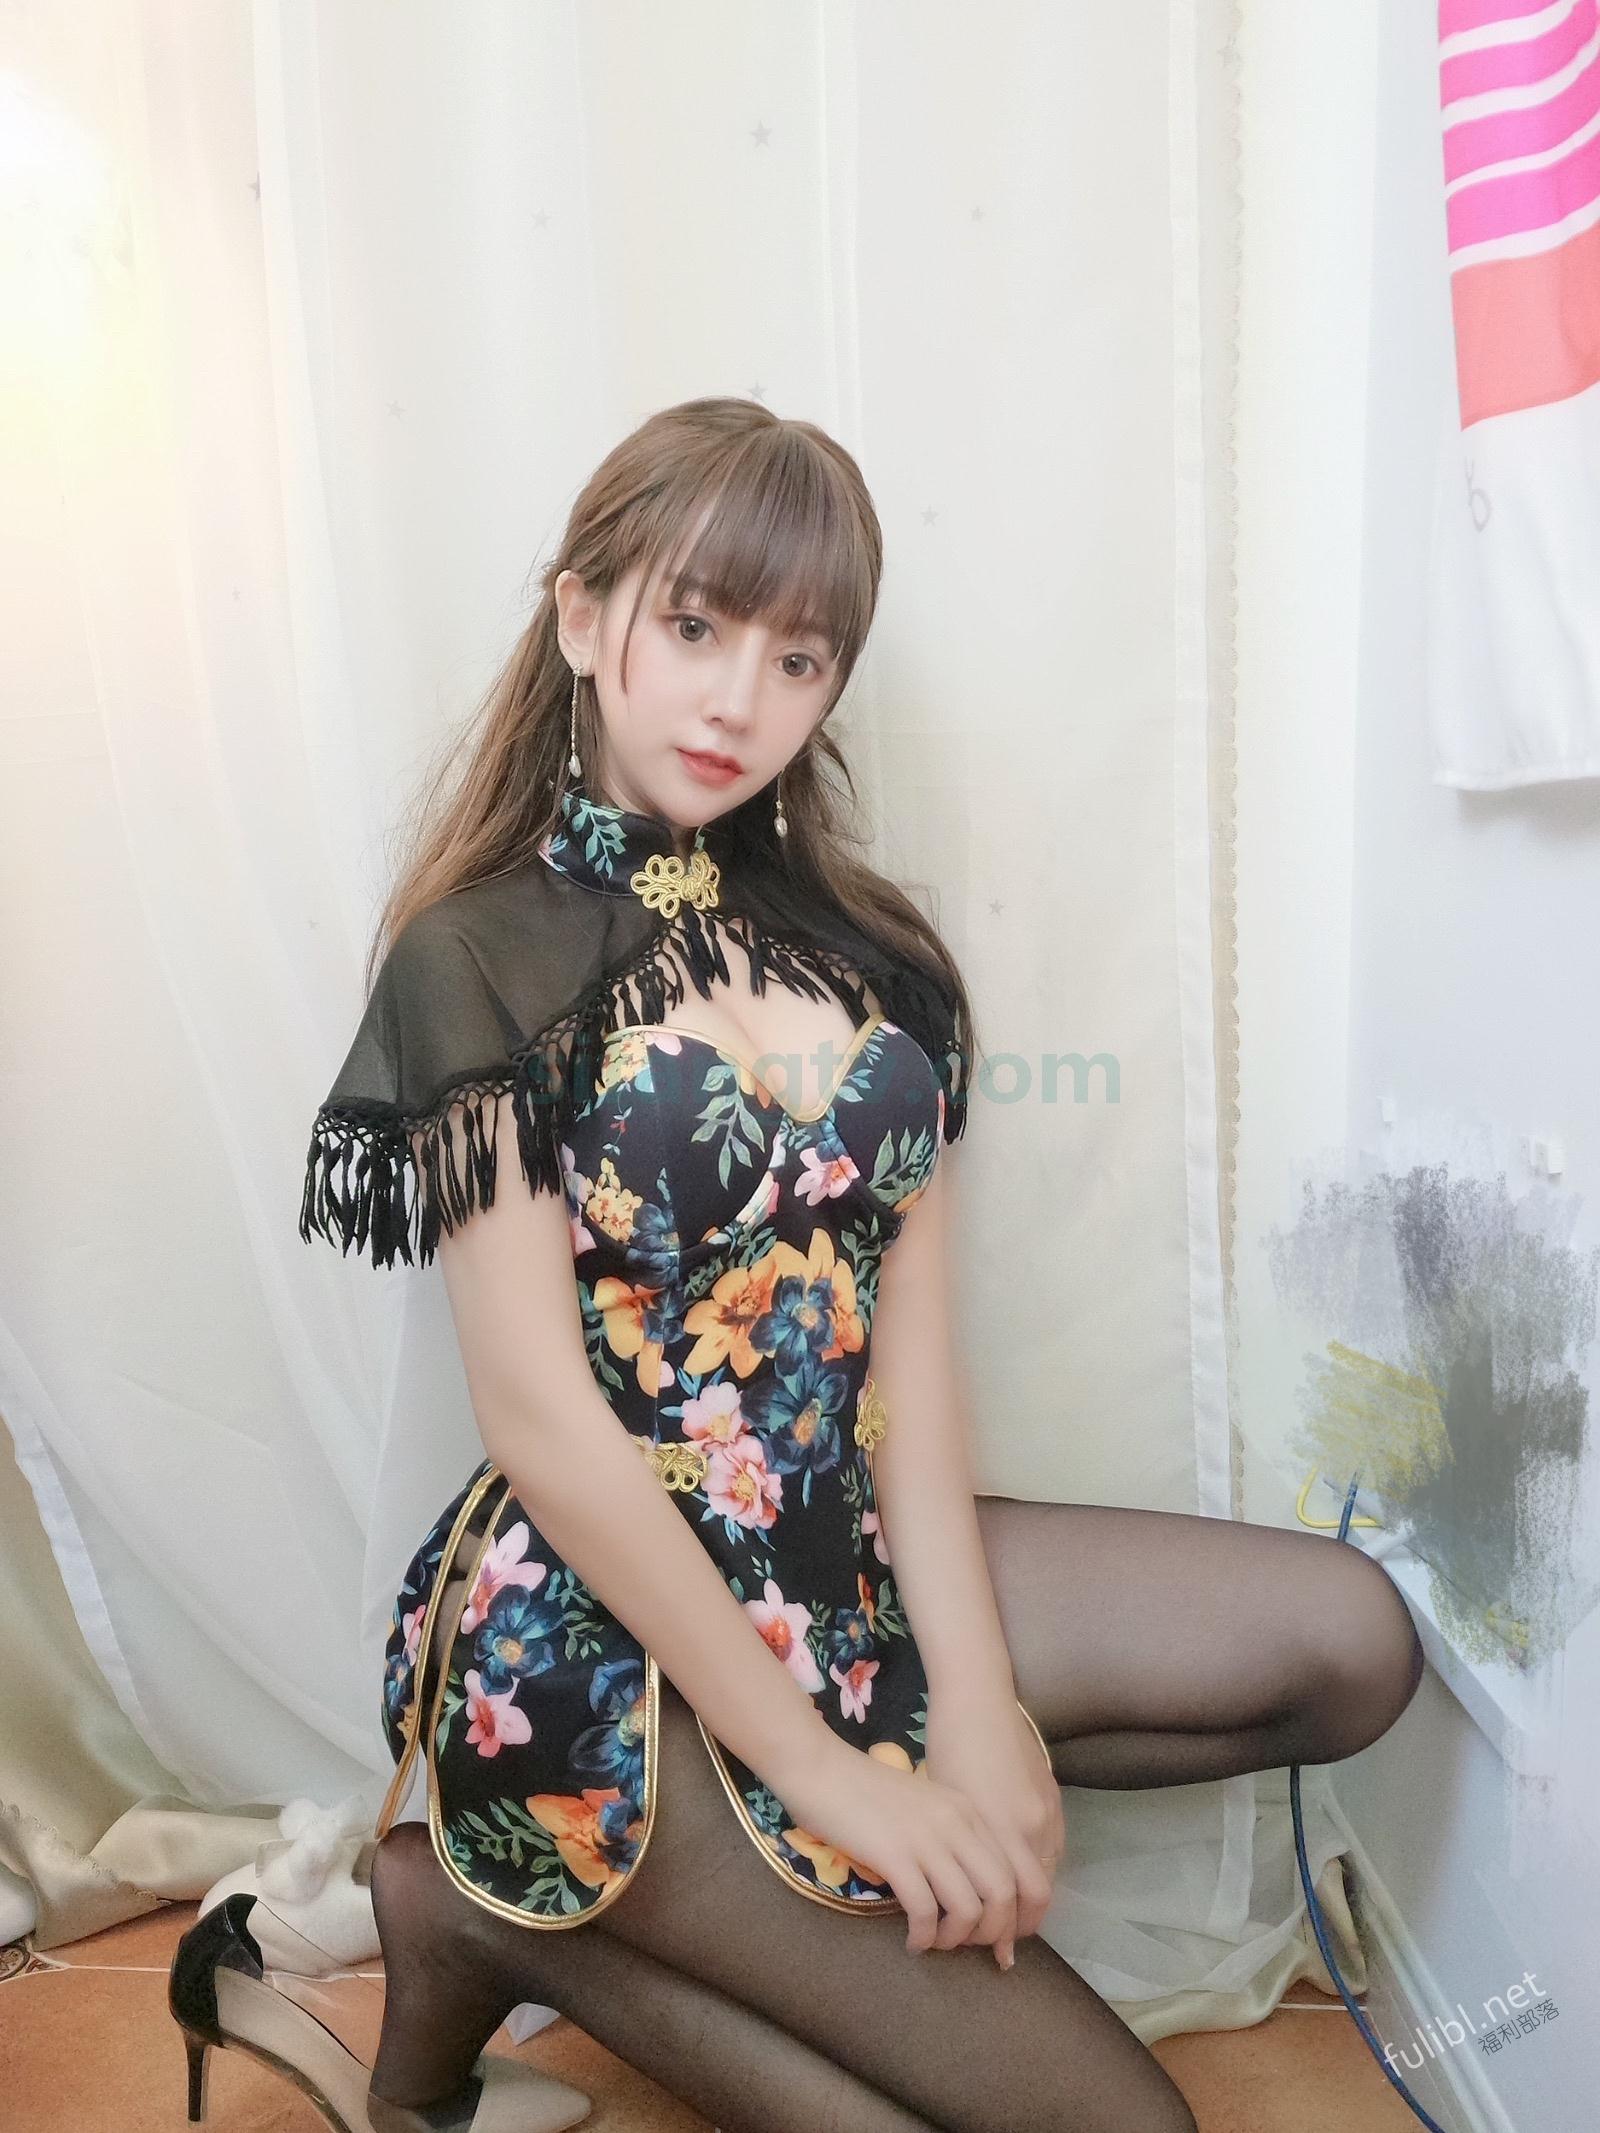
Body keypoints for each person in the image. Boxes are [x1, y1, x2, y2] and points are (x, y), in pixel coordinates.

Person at [286, 398, 1423, 2133]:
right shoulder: (476, 956)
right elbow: (544, 1427)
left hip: (844, 1546)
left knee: (1353, 1643)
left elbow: (906, 1380)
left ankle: (536, 1910)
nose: (740, 698)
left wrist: (977, 1714)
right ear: (582, 618)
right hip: (600, 1628)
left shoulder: (875, 956)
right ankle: (484, 1907)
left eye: (799, 657)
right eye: (693, 626)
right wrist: (833, 1777)